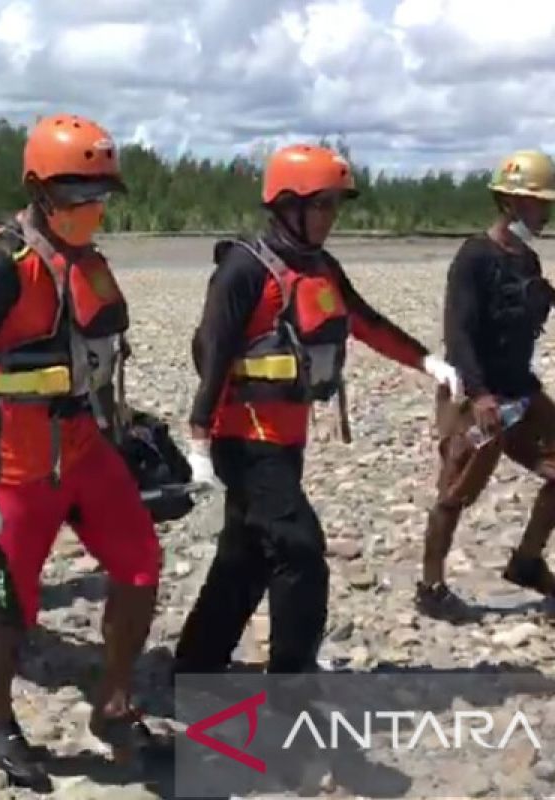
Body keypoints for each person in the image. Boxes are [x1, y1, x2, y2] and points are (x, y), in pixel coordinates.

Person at [173, 143, 462, 675]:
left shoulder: (321, 267)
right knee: (300, 550)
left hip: (287, 441)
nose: (331, 216)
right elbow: (213, 357)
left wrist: (428, 363)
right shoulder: (243, 269)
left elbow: (366, 322)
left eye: (335, 205)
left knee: (248, 555)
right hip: (245, 439)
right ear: (287, 205)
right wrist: (198, 443)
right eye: (322, 204)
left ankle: (193, 667)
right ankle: (292, 680)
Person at [0, 114, 162, 790]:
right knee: (10, 604)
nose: (90, 209)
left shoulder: (88, 263)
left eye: (99, 195)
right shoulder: (1, 265)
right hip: (18, 462)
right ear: (39, 190)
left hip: (87, 451)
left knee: (140, 566)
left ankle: (116, 703)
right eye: (77, 195)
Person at [416, 149, 555, 620]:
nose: (545, 212)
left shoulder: (529, 262)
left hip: (520, 391)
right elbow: (459, 332)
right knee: (455, 493)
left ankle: (528, 562)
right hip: (474, 394)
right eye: (538, 203)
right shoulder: (474, 256)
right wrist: (478, 395)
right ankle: (430, 588)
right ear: (510, 203)